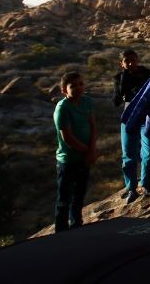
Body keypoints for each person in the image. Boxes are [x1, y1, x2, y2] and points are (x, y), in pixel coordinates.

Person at [53, 71, 97, 233]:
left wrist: (92, 150)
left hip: (84, 158)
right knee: (64, 198)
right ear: (64, 90)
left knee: (79, 195)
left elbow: (92, 126)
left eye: (81, 84)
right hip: (68, 160)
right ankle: (61, 231)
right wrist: (89, 153)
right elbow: (67, 137)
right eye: (73, 86)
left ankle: (76, 225)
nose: (78, 88)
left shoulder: (87, 102)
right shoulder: (62, 108)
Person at [112, 49, 150, 203]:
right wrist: (124, 80)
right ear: (121, 63)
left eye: (133, 59)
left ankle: (147, 186)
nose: (131, 63)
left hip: (146, 117)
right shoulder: (119, 77)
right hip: (129, 117)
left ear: (137, 59)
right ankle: (131, 189)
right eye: (126, 61)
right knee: (128, 154)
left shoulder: (146, 73)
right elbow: (116, 101)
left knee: (149, 151)